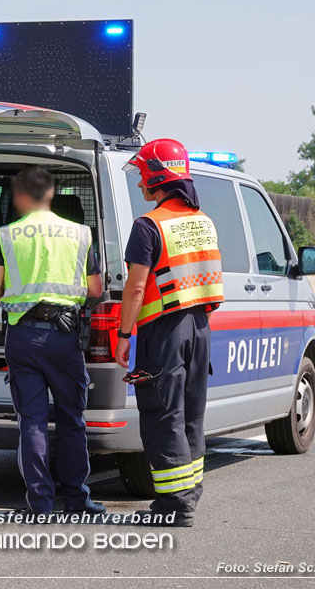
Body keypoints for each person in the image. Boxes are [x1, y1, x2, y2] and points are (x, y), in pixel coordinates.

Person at [0, 166, 104, 516]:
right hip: (65, 337)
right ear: (50, 193)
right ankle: (78, 500)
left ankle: (40, 504)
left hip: (22, 336)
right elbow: (94, 289)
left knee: (31, 421)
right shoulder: (81, 234)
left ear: (20, 197)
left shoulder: (7, 234)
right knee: (72, 419)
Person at [116, 138, 224, 527]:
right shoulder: (203, 221)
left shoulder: (148, 226)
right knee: (191, 413)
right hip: (199, 327)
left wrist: (124, 334)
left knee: (163, 415)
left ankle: (175, 507)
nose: (140, 182)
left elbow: (136, 287)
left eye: (143, 174)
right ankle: (188, 495)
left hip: (163, 331)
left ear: (155, 176)